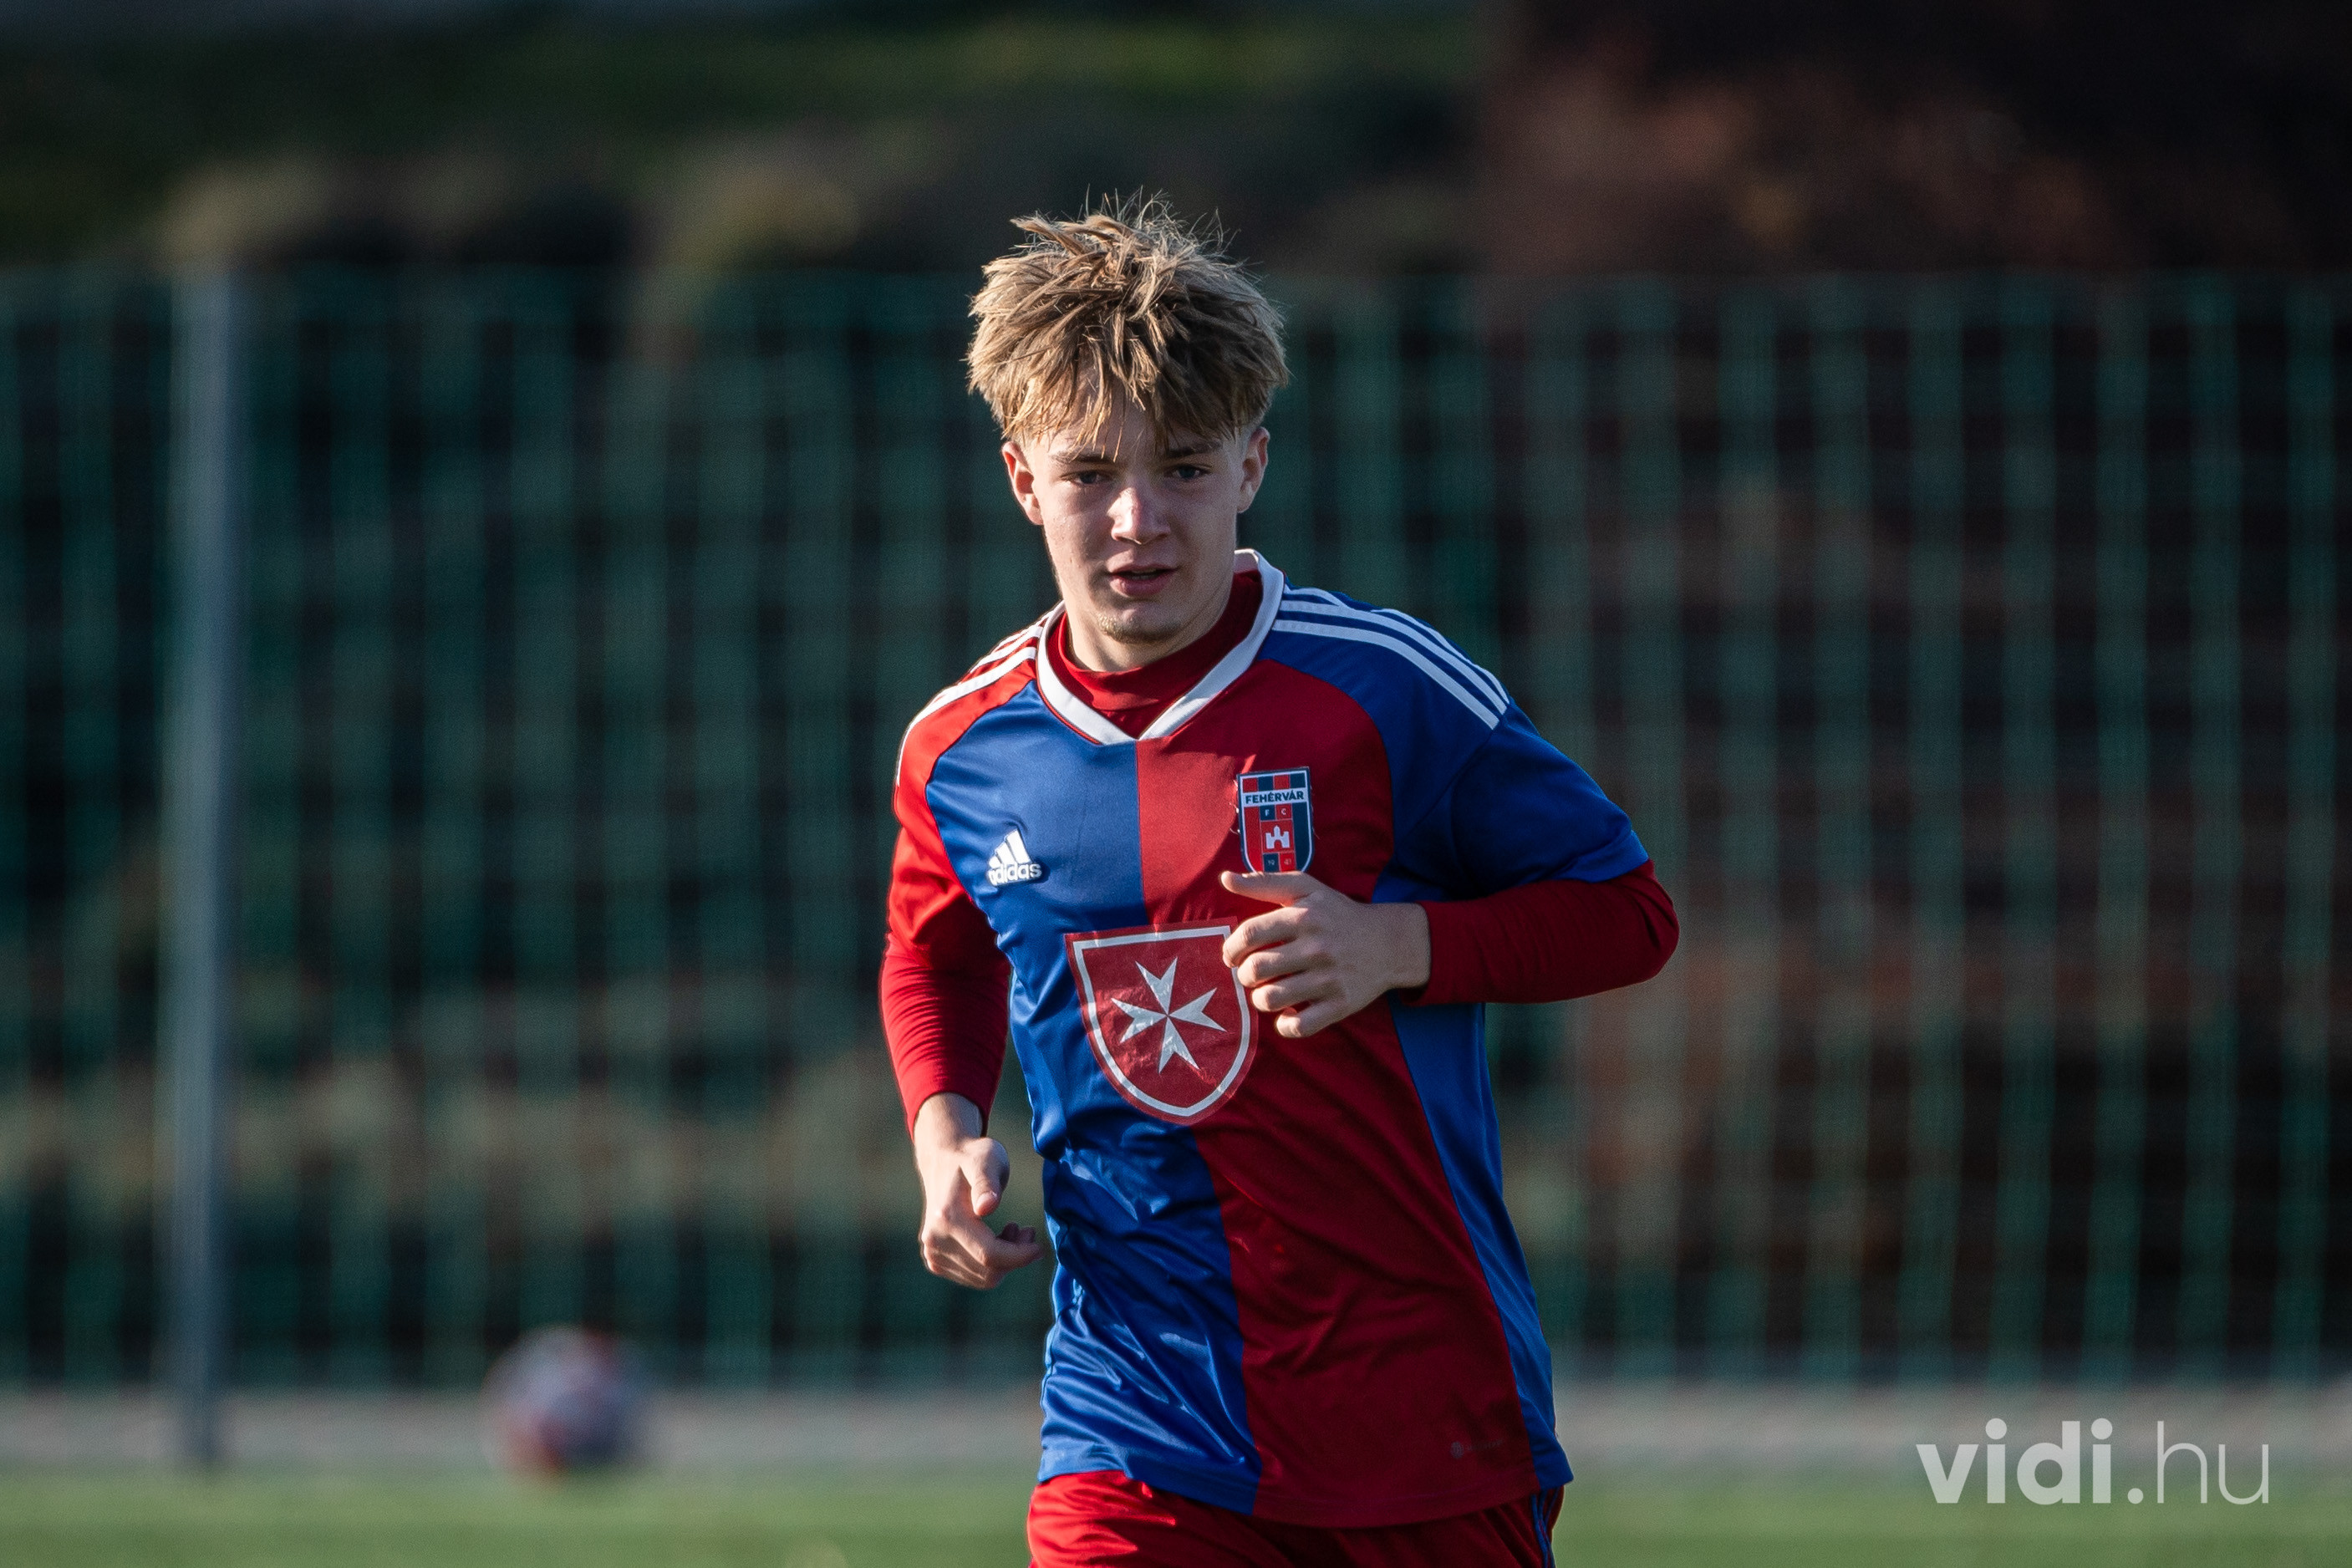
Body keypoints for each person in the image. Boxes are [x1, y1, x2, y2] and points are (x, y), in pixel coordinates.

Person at [881, 201, 1677, 1567]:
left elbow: (1628, 914)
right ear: (1020, 480)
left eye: (1185, 468)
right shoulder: (961, 748)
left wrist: (1399, 946)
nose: (1137, 521)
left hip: (1419, 1409)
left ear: (1251, 465)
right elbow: (936, 951)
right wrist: (943, 1129)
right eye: (1089, 474)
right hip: (1134, 1412)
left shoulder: (1384, 690)